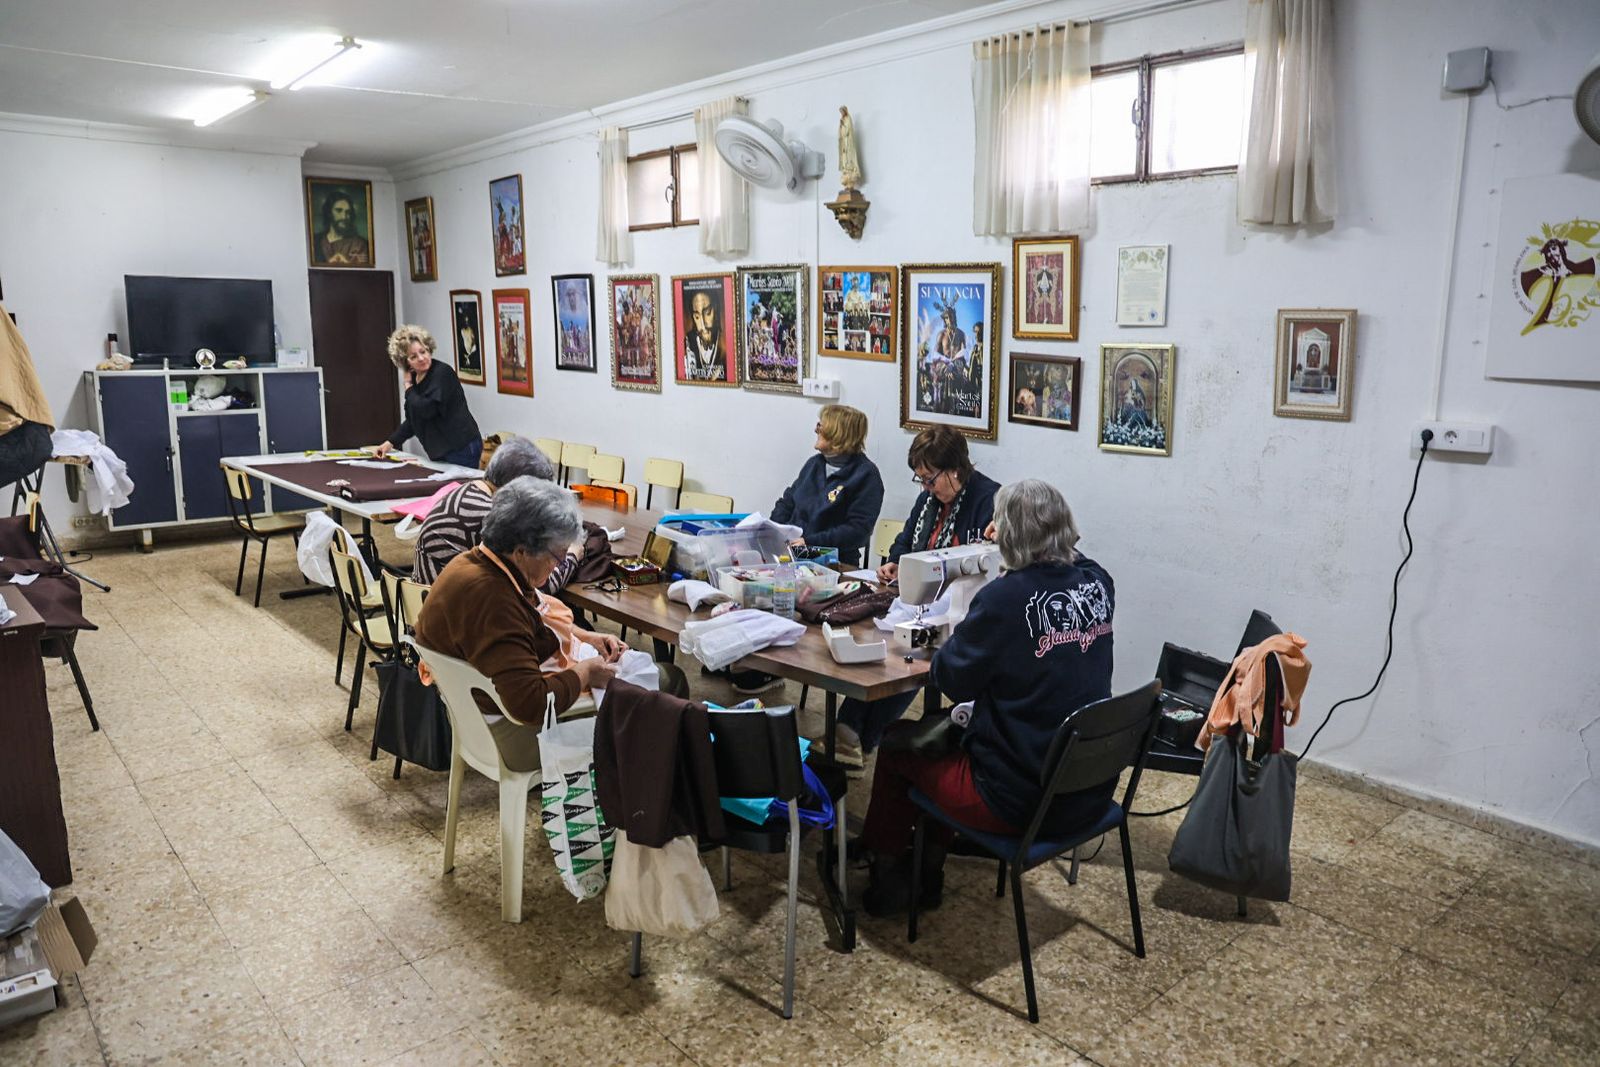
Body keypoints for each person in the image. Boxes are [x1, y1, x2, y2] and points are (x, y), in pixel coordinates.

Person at [857, 479, 1115, 916]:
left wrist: (948, 639)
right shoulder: (1098, 584)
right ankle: (927, 865)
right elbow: (1077, 559)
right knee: (946, 739)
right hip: (1087, 788)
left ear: (1008, 536)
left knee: (902, 742)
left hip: (1019, 802)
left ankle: (894, 878)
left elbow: (952, 680)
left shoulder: (1004, 599)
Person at [415, 478, 685, 772]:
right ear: (521, 551)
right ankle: (650, 791)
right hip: (513, 737)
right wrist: (585, 672)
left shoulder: (475, 563)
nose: (559, 564)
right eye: (556, 555)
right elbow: (530, 705)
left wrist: (587, 637)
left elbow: (533, 619)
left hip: (475, 719)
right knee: (670, 680)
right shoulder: (494, 599)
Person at [827, 427, 1000, 767]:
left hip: (962, 607)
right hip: (916, 601)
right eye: (919, 480)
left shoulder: (988, 501)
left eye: (930, 479)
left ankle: (858, 735)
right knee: (889, 643)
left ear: (955, 470)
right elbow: (905, 541)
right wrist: (894, 562)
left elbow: (989, 561)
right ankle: (851, 734)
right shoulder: (929, 500)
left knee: (915, 653)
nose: (925, 487)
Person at [412, 436, 579, 587]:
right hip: (458, 612)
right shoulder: (490, 517)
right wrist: (572, 555)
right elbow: (536, 585)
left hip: (432, 601)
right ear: (517, 488)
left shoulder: (466, 491)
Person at [770, 404, 884, 568]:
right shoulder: (814, 464)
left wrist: (810, 542)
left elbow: (858, 531)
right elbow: (788, 502)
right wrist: (774, 530)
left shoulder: (866, 475)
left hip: (834, 563)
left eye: (821, 426)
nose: (816, 430)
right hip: (792, 554)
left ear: (838, 434)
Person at [374, 325, 482, 467]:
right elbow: (414, 419)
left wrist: (408, 389)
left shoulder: (442, 373)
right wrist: (391, 442)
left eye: (423, 352)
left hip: (461, 447)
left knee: (455, 488)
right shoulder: (415, 380)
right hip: (442, 450)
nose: (421, 358)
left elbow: (427, 409)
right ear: (406, 363)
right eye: (413, 356)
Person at [315, 189, 370, 265]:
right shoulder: (316, 240)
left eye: (348, 212)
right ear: (329, 212)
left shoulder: (360, 244)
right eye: (338, 211)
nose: (344, 217)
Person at [684, 290, 725, 380]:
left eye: (708, 313)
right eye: (697, 317)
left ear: (716, 310)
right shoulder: (687, 342)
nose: (703, 326)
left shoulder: (725, 342)